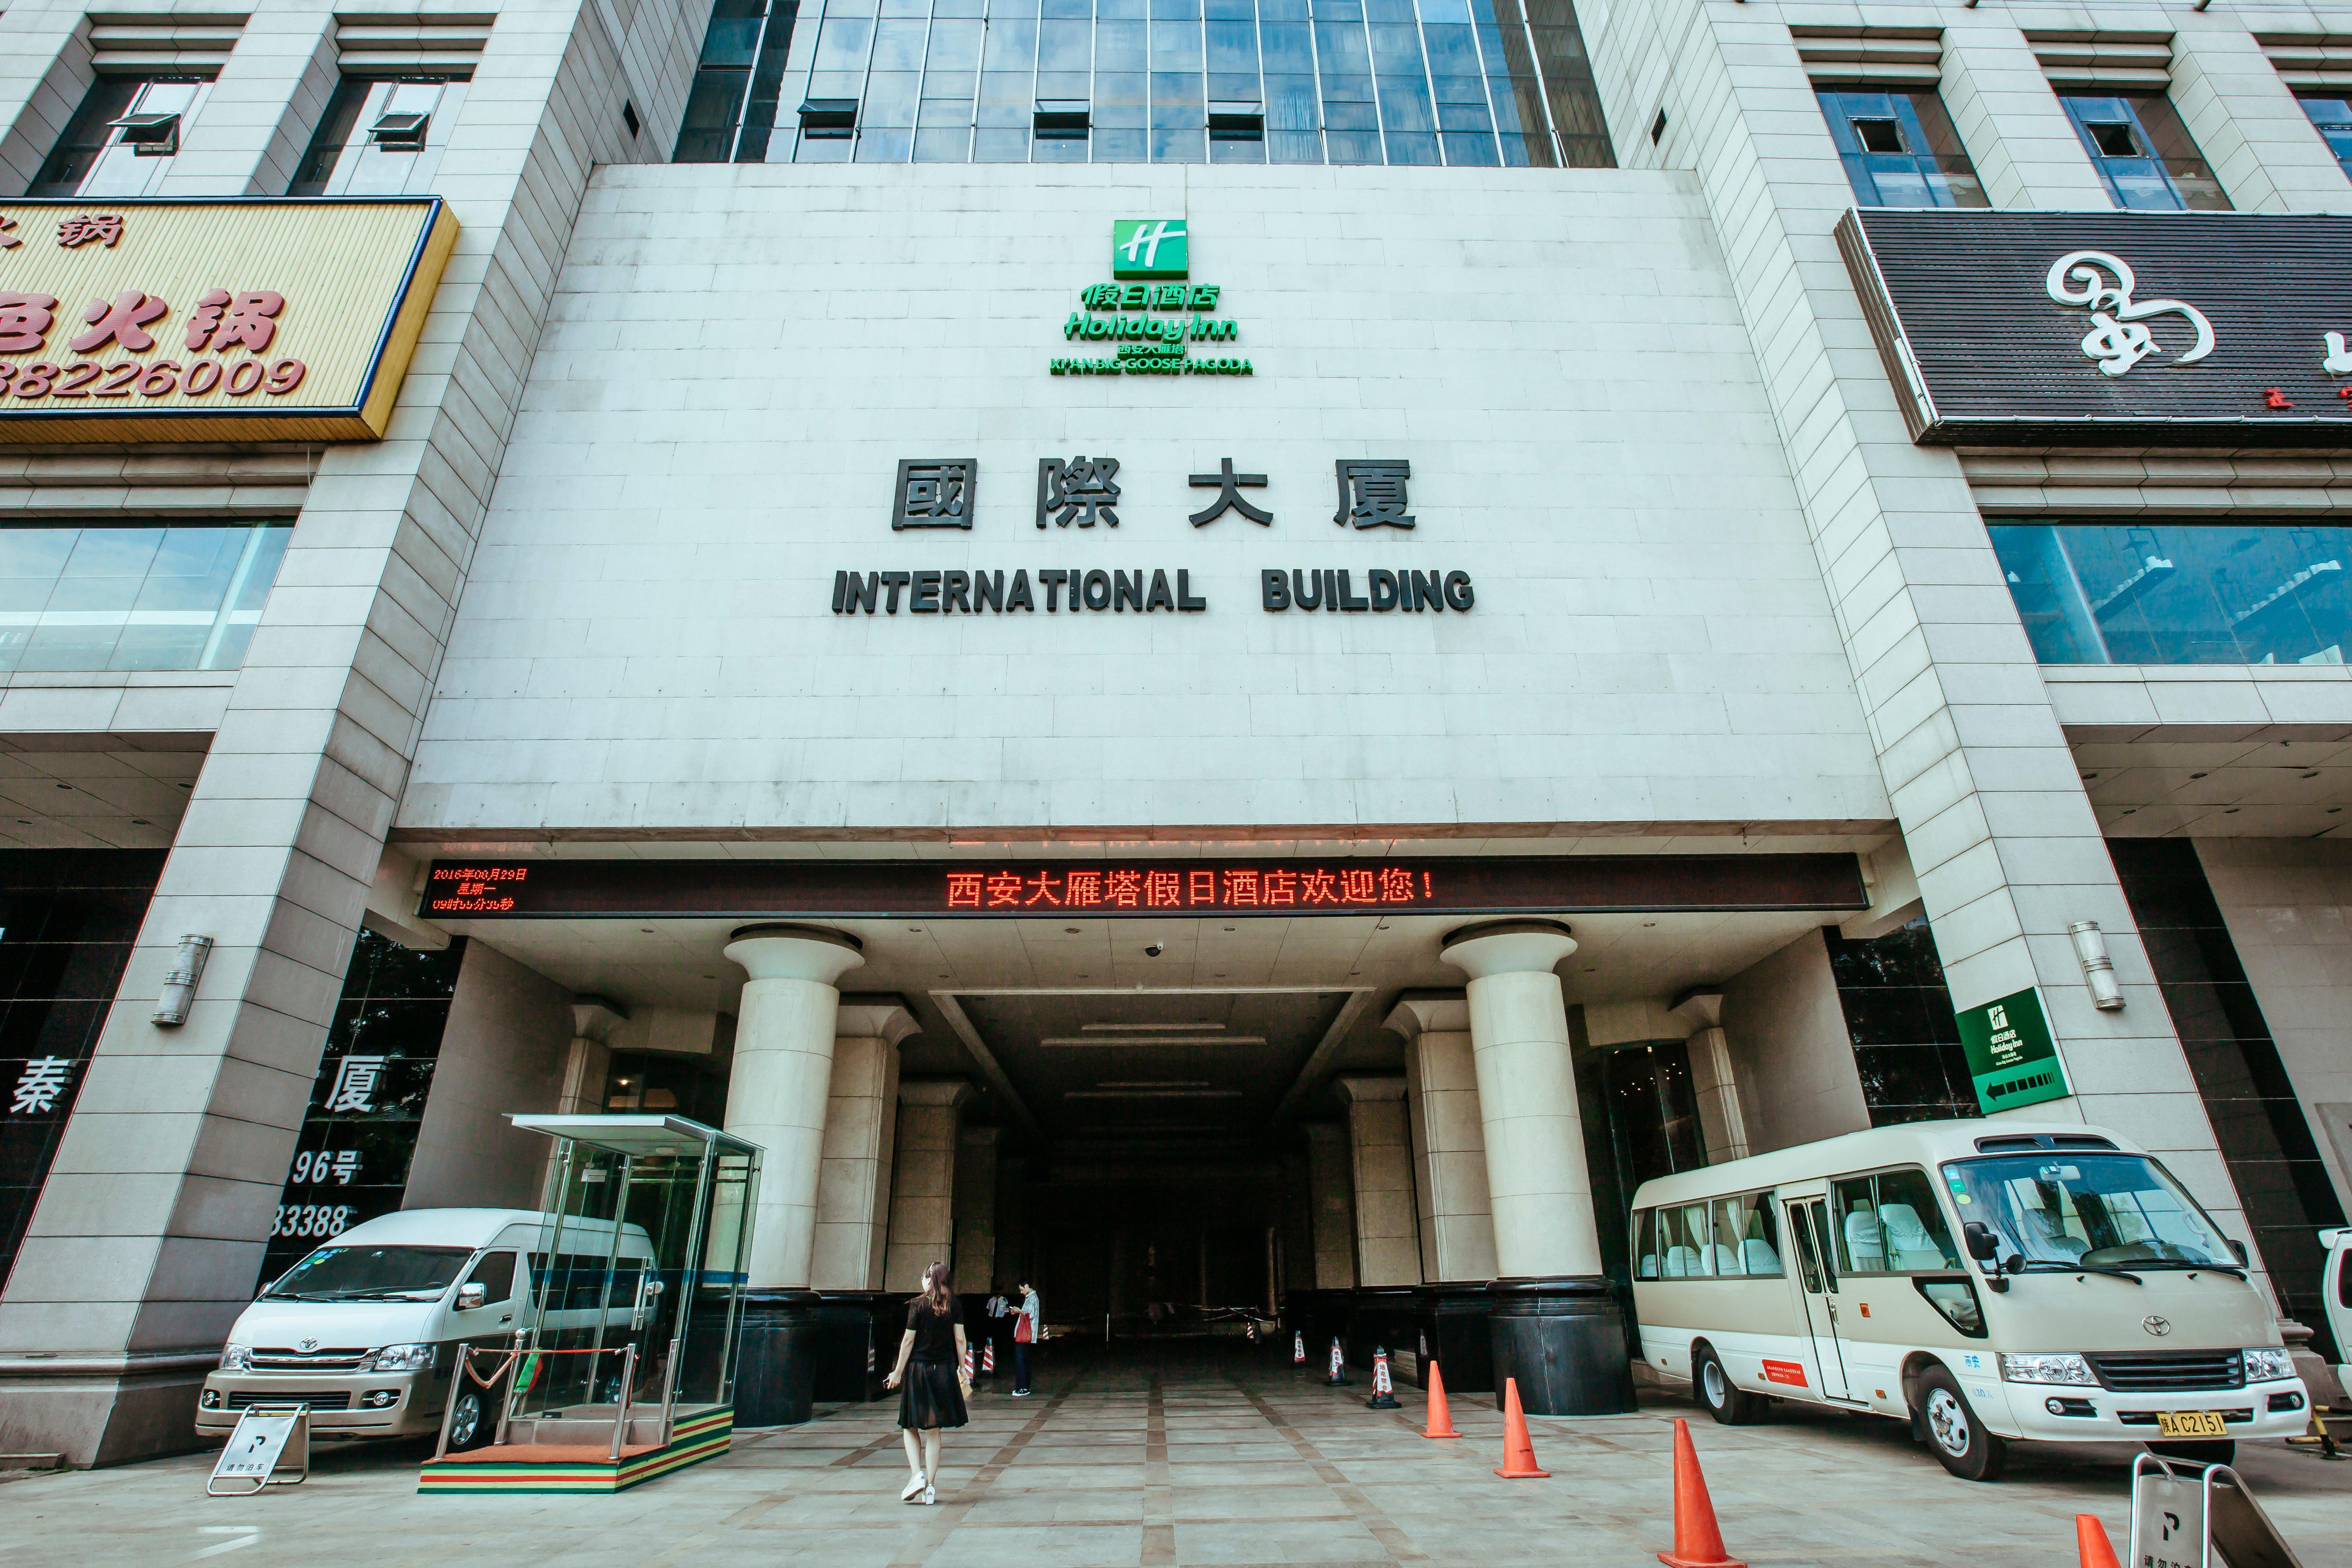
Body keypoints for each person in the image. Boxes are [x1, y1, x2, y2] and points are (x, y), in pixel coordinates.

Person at [884, 1261, 970, 1504]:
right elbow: (960, 1339)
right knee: (934, 1430)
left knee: (910, 1425)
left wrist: (897, 1372)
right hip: (943, 1371)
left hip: (918, 1371)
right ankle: (931, 1487)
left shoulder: (917, 1305)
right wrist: (962, 1367)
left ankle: (916, 1475)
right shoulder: (955, 1305)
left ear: (929, 1279)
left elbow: (908, 1342)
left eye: (924, 1277)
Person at [1010, 1278, 1041, 1397]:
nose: (1021, 1292)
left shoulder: (1033, 1298)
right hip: (1027, 1336)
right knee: (1025, 1361)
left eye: (1022, 1289)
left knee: (1021, 1361)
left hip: (1025, 1335)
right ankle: (1025, 1387)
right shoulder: (1031, 1298)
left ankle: (1022, 1388)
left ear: (1027, 1286)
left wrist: (1019, 1311)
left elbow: (1030, 1314)